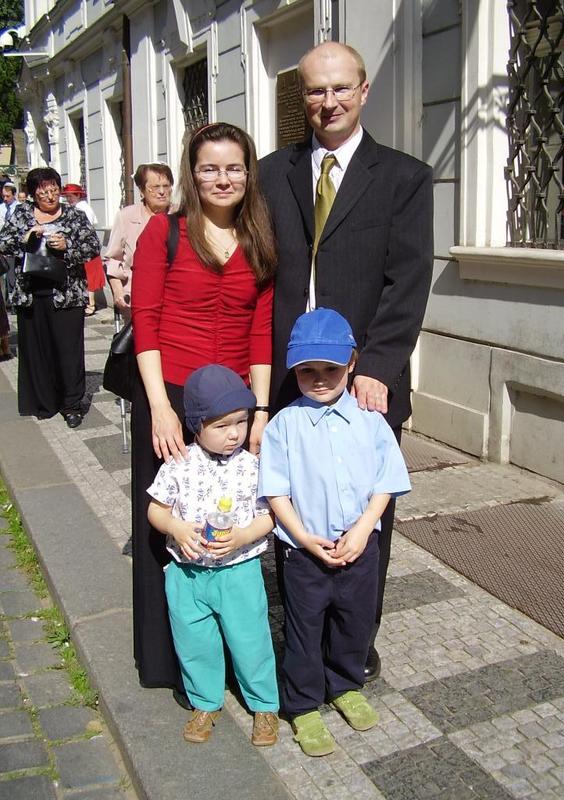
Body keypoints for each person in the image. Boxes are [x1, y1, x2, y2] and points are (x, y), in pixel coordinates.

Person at [259, 41, 433, 681]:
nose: (327, 102)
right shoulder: (272, 173)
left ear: (363, 91)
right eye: (315, 90)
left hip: (363, 383)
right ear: (301, 96)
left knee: (365, 519)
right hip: (290, 378)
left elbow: (407, 281)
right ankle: (301, 639)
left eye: (340, 88)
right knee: (291, 511)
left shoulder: (404, 178)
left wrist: (377, 368)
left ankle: (354, 645)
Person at [131, 122, 277, 707]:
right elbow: (145, 320)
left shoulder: (259, 237)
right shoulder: (163, 233)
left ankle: (238, 651)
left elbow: (261, 333)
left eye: (233, 167)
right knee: (169, 519)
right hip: (171, 394)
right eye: (209, 168)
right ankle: (172, 660)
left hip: (235, 404)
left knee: (233, 510)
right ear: (192, 175)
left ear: (248, 173)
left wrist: (260, 410)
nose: (222, 178)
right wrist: (160, 408)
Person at [258, 308, 410, 756]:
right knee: (304, 629)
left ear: (352, 363)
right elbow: (276, 491)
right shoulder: (284, 425)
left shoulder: (370, 419)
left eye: (331, 369)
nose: (320, 379)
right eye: (308, 371)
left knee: (353, 622)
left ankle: (344, 684)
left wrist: (363, 530)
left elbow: (386, 481)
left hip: (360, 546)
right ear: (294, 370)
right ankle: (303, 703)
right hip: (305, 553)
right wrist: (302, 537)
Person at [147, 364, 279, 746]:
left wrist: (244, 535)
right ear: (196, 425)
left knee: (250, 640)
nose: (234, 433)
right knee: (194, 641)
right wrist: (175, 527)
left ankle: (265, 706)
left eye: (241, 421)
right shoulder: (179, 464)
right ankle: (205, 701)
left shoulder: (253, 466)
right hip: (187, 574)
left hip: (239, 571)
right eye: (221, 426)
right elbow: (155, 509)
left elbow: (270, 515)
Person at [0, 167, 100, 427]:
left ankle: (72, 405)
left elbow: (92, 246)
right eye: (43, 192)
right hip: (31, 294)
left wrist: (68, 247)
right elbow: (4, 242)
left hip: (67, 294)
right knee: (38, 351)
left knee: (68, 352)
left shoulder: (74, 215)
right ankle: (44, 402)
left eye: (54, 190)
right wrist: (26, 239)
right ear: (34, 193)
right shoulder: (22, 214)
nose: (50, 196)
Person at [104, 163, 174, 323]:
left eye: (166, 186)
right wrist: (118, 291)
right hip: (137, 299)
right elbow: (113, 259)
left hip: (174, 300)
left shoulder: (181, 215)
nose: (162, 192)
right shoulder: (126, 217)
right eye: (155, 187)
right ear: (142, 191)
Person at [62, 183, 99, 317]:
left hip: (85, 248)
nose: (68, 199)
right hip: (76, 248)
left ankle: (91, 304)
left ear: (78, 195)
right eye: (67, 197)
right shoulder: (74, 208)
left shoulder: (83, 209)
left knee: (89, 276)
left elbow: (86, 230)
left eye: (70, 196)